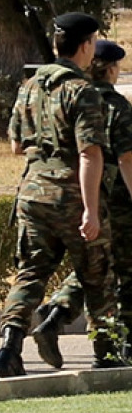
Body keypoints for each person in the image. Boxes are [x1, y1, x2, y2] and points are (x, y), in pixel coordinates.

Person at [0, 12, 110, 378]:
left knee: (30, 273)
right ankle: (106, 353)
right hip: (70, 194)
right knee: (96, 276)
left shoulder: (29, 86)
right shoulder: (83, 91)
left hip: (31, 193)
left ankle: (9, 350)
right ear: (87, 45)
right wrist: (91, 211)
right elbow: (89, 153)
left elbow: (15, 145)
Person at [33, 39, 131, 369]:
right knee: (120, 270)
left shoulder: (71, 96)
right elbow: (127, 159)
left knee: (95, 267)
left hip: (74, 194)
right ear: (113, 69)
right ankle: (120, 343)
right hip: (116, 201)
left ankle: (58, 312)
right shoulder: (115, 106)